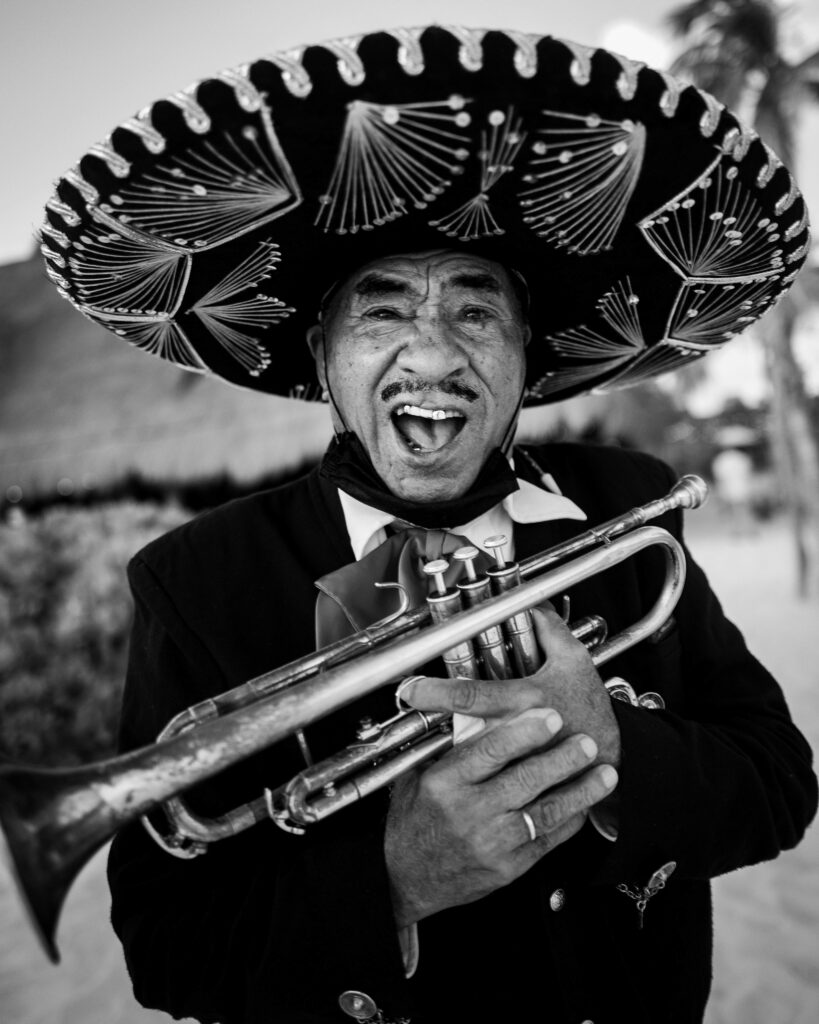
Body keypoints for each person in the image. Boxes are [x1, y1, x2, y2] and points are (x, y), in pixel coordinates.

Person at [38, 25, 816, 1024]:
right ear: (322, 358)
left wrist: (611, 740)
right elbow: (171, 949)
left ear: (528, 360)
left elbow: (779, 788)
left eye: (476, 312)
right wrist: (393, 881)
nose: (432, 353)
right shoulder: (193, 578)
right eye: (384, 309)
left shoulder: (629, 504)